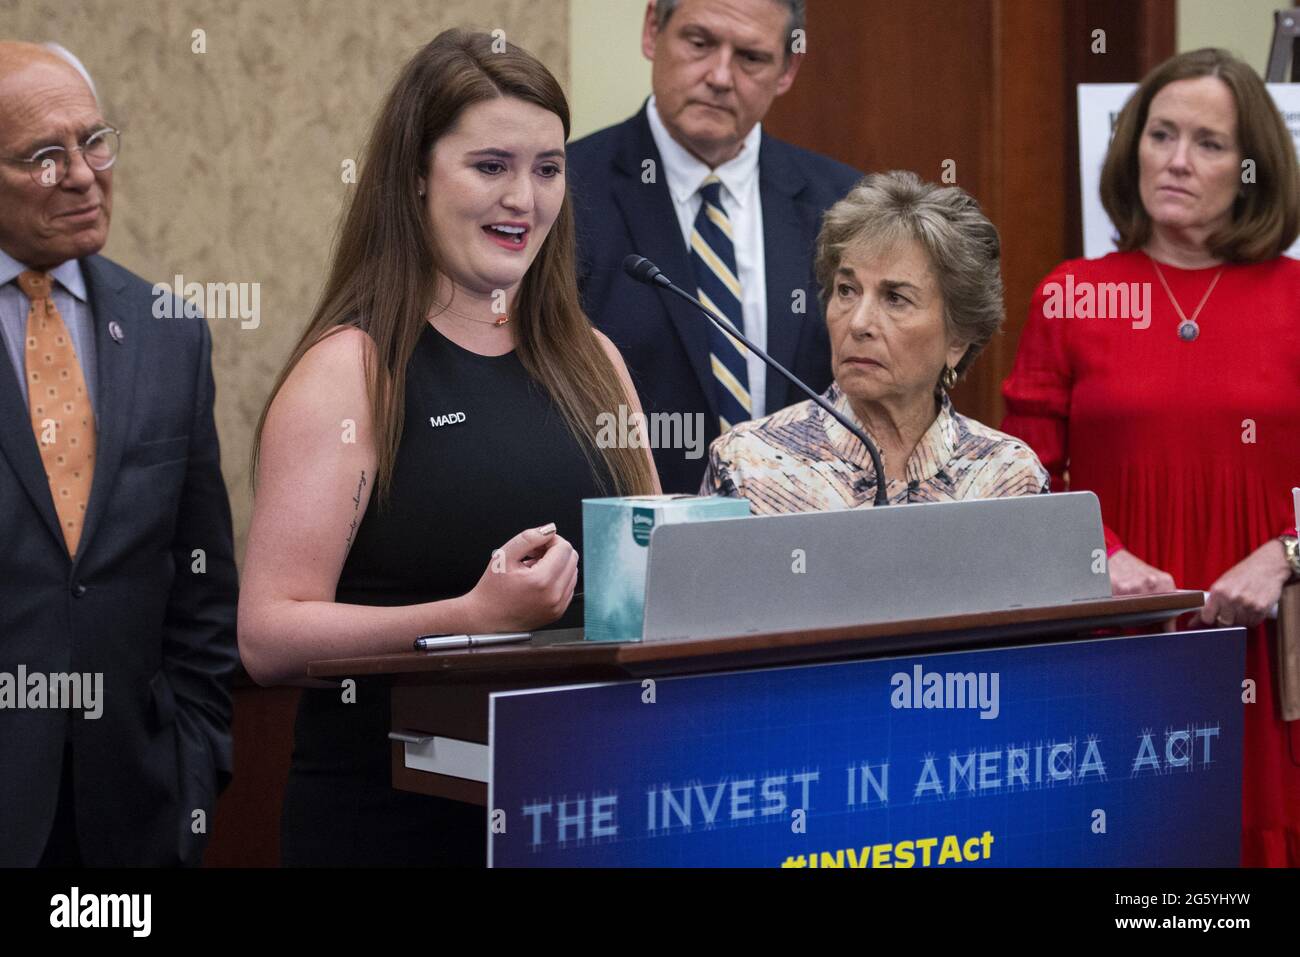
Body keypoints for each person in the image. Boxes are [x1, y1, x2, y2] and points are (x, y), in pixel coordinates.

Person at [238, 29, 660, 867]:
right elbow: (268, 634)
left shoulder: (594, 360)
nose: (525, 200)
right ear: (415, 177)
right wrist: (471, 620)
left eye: (547, 169)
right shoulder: (352, 372)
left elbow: (651, 565)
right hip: (392, 823)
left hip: (583, 811)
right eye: (491, 166)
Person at [1000, 48, 1300, 866]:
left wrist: (1286, 555)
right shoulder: (1071, 295)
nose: (1174, 159)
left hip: (1272, 659)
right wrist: (1101, 556)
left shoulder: (1296, 297)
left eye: (1207, 142)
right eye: (1159, 133)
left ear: (1250, 168)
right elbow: (1019, 476)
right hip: (1116, 638)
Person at [0, 42, 238, 866]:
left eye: (93, 141)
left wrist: (196, 761)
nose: (82, 173)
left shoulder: (168, 332)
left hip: (134, 812)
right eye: (42, 156)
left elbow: (202, 582)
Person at [567, 0, 860, 493]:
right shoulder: (564, 194)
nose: (721, 76)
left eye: (750, 57)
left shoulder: (844, 204)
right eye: (700, 43)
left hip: (805, 539)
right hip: (627, 542)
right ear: (652, 31)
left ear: (788, 69)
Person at [703, 171, 1047, 510]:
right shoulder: (749, 468)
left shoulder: (1010, 478)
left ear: (958, 337)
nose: (859, 323)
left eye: (895, 298)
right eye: (847, 291)